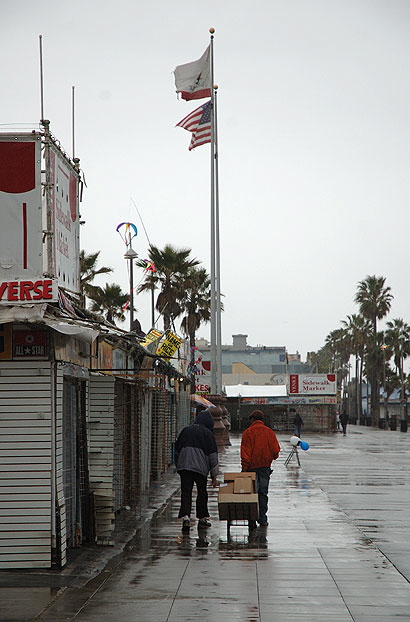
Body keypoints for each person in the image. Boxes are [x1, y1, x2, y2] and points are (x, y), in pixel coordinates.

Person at [175, 409, 219, 532]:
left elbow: (177, 450)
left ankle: (186, 517)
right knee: (202, 492)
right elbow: (213, 456)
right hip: (200, 469)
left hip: (185, 467)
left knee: (186, 492)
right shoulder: (208, 434)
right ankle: (202, 518)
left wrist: (179, 466)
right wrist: (214, 476)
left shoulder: (185, 431)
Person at [240, 410, 280, 528]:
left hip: (251, 468)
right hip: (265, 468)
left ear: (252, 419)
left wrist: (244, 468)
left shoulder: (248, 433)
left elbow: (245, 453)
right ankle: (262, 518)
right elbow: (276, 452)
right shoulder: (270, 432)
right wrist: (268, 459)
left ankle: (252, 519)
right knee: (263, 493)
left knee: (252, 494)